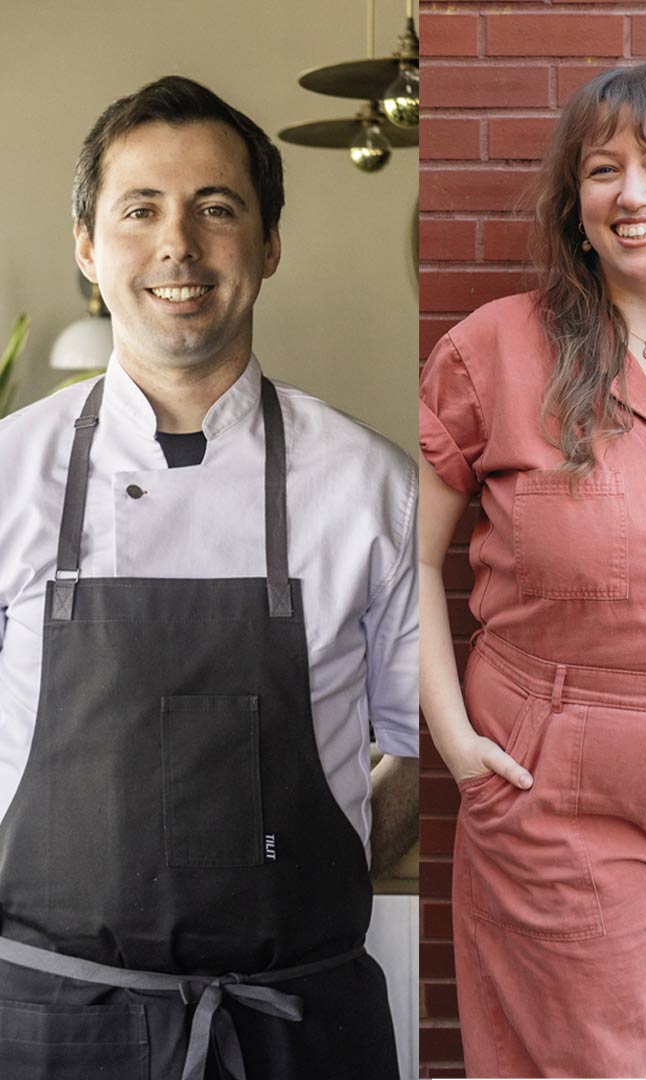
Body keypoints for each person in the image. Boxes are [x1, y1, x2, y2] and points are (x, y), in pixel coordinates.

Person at [0, 76, 417, 1078]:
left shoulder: (369, 489)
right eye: (140, 209)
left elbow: (423, 752)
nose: (178, 246)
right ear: (88, 248)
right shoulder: (9, 477)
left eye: (216, 208)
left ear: (269, 244)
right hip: (43, 1031)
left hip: (297, 1031)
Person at [417, 63, 646, 1078]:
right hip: (555, 787)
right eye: (602, 170)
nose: (631, 193)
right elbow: (404, 562)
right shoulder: (494, 351)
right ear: (576, 205)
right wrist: (455, 740)